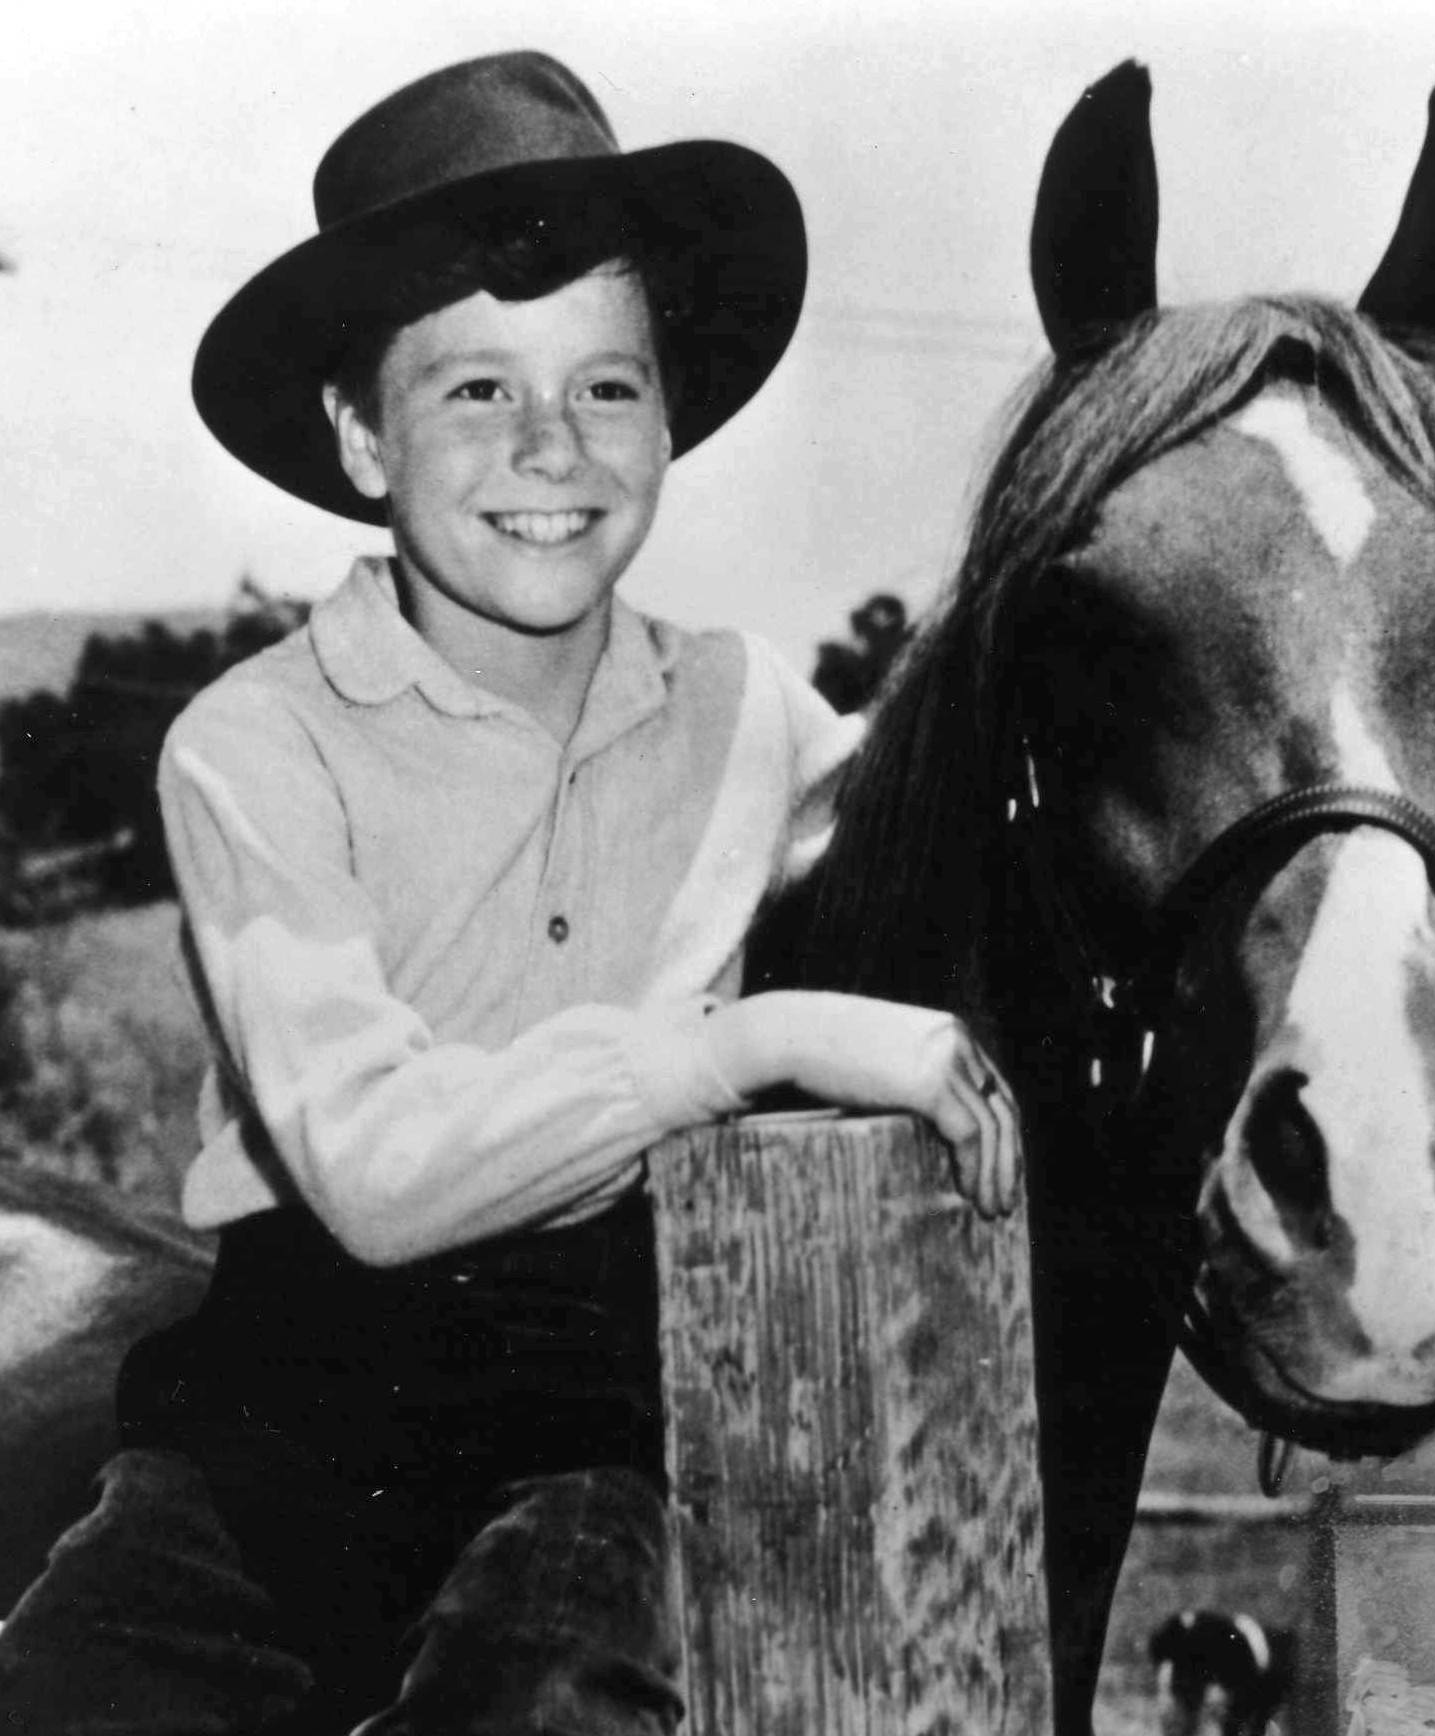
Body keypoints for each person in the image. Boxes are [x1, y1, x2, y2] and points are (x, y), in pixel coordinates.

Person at [0, 51, 1018, 1735]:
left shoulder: (750, 712)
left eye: (606, 388)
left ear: (668, 421)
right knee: (61, 1690)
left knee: (546, 1696)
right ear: (359, 437)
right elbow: (371, 1172)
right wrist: (743, 1044)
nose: (551, 446)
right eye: (476, 390)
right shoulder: (253, 747)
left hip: (590, 1424)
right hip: (278, 1416)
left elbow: (968, 845)